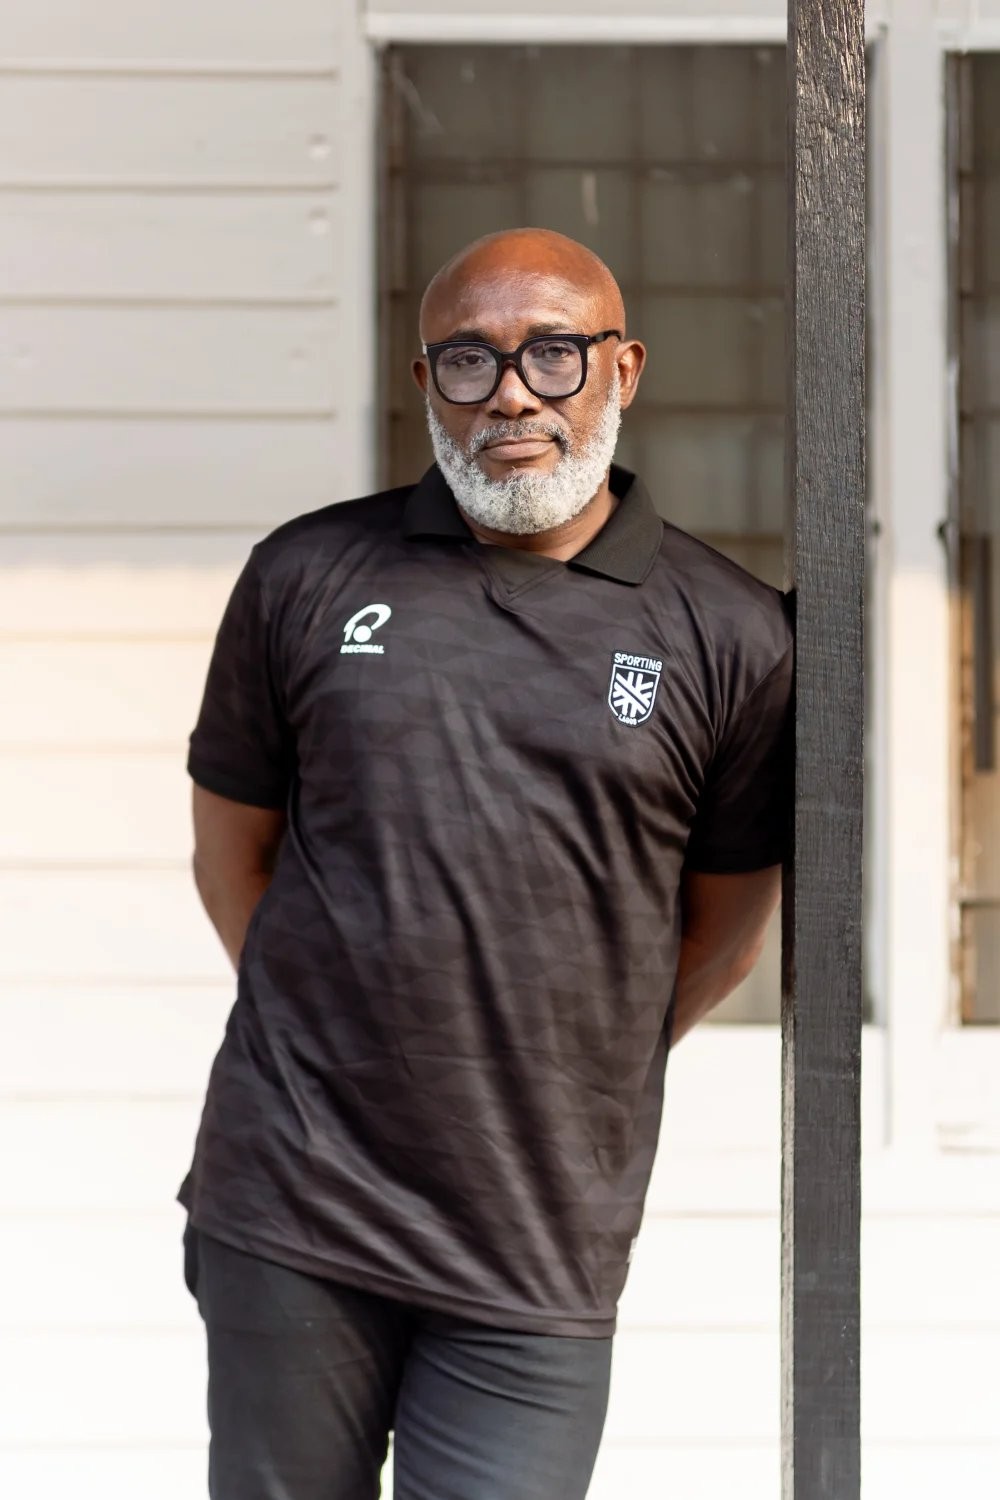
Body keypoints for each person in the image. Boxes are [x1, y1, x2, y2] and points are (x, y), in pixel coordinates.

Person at [180, 227, 792, 1500]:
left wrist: (570, 1052)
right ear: (426, 383)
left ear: (623, 370)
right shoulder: (305, 575)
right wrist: (332, 1022)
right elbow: (233, 852)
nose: (511, 393)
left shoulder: (730, 634)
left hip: (540, 1230)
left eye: (552, 354)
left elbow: (728, 927)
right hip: (294, 1201)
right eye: (469, 360)